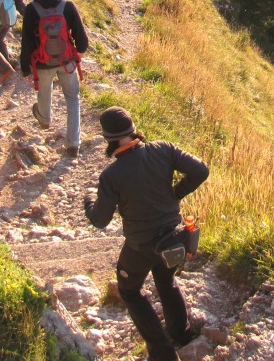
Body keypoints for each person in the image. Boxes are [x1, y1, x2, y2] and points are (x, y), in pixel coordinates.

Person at [84, 107, 209, 361]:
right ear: (133, 129)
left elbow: (100, 220)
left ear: (108, 139)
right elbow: (201, 170)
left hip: (140, 247)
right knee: (166, 280)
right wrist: (176, 193)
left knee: (129, 290)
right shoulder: (163, 149)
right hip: (172, 240)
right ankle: (181, 334)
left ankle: (163, 353)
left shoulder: (111, 176)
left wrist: (88, 202)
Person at [19, 0, 89, 156]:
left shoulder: (32, 9)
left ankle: (45, 118)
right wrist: (79, 50)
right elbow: (82, 39)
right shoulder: (68, 6)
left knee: (44, 90)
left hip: (42, 62)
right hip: (66, 61)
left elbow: (26, 40)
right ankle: (73, 143)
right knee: (73, 99)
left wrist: (25, 67)